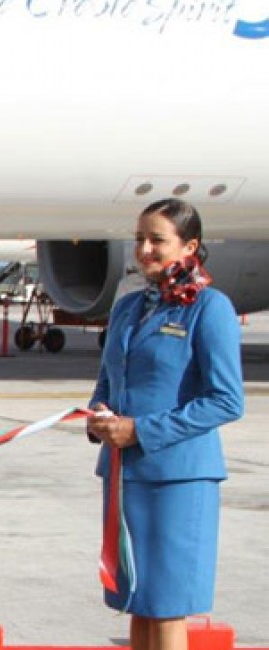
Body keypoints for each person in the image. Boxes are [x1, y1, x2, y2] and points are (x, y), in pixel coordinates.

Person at [85, 198, 244, 650]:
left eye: (157, 240)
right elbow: (107, 381)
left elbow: (226, 401)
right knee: (137, 598)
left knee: (169, 604)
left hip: (178, 477)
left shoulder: (208, 308)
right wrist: (100, 415)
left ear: (189, 246)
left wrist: (140, 430)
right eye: (139, 239)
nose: (145, 250)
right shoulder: (128, 308)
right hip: (123, 474)